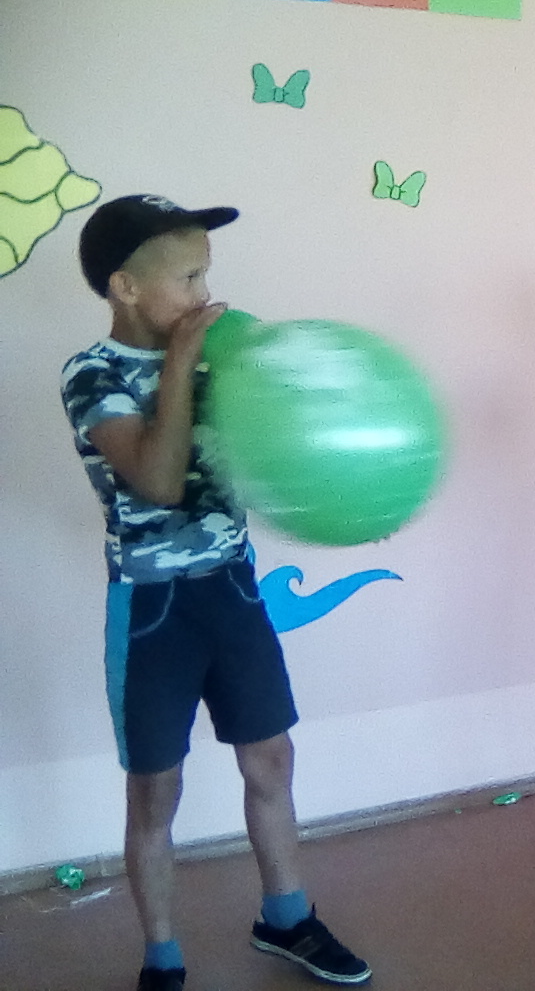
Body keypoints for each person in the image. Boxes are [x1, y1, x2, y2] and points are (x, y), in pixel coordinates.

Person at [62, 196, 370, 990]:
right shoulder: (92, 374)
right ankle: (162, 957)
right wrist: (181, 365)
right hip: (153, 607)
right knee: (155, 791)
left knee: (271, 758)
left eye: (207, 275)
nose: (206, 295)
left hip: (232, 589)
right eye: (188, 278)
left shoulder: (222, 360)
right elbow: (159, 481)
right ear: (126, 287)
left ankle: (287, 918)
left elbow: (278, 451)